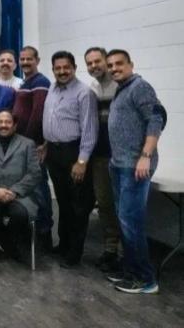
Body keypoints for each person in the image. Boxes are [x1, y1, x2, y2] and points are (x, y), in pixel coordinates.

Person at [106, 49, 166, 294]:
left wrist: (146, 155)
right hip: (119, 164)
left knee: (131, 222)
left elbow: (156, 118)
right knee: (124, 220)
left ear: (131, 64)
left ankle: (146, 279)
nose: (114, 68)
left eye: (119, 63)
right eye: (111, 65)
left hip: (135, 166)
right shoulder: (122, 90)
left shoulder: (140, 87)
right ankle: (130, 270)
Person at [43, 50, 98, 268]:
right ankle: (64, 244)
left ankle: (74, 253)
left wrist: (82, 161)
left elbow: (89, 130)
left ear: (74, 68)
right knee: (63, 202)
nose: (62, 71)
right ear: (53, 70)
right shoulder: (52, 88)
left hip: (74, 153)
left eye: (66, 67)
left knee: (78, 206)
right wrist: (46, 144)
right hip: (54, 153)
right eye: (58, 68)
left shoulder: (84, 93)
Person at [0, 109, 41, 264]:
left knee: (20, 214)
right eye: (0, 122)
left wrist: (15, 191)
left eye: (8, 122)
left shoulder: (28, 144)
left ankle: (1, 246)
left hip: (19, 195)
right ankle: (10, 246)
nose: (3, 125)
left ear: (15, 125)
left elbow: (34, 173)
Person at [12, 45, 53, 250]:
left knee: (39, 191)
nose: (25, 62)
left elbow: (38, 114)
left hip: (32, 146)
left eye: (29, 59)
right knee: (29, 190)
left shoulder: (41, 82)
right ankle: (33, 233)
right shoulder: (26, 82)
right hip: (24, 145)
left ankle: (44, 235)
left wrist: (27, 142)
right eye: (22, 59)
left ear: (37, 60)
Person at [84, 46, 121, 272]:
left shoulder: (123, 84)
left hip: (122, 157)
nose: (94, 66)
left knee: (123, 207)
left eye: (97, 61)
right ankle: (111, 251)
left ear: (106, 60)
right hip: (99, 156)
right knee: (105, 205)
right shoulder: (93, 87)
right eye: (89, 63)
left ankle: (127, 254)